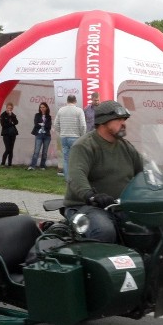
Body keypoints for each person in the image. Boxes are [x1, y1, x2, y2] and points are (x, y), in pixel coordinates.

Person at [63, 100, 143, 242]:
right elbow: (76, 175)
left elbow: (144, 170)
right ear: (103, 121)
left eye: (124, 119)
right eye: (118, 119)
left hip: (119, 206)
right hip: (86, 206)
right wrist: (91, 196)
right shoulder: (84, 146)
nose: (123, 123)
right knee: (104, 231)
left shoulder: (126, 147)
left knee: (152, 227)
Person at [53, 94, 86, 176]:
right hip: (76, 137)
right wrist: (82, 136)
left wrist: (61, 132)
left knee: (66, 159)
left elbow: (55, 124)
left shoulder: (61, 110)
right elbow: (83, 125)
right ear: (75, 101)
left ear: (67, 101)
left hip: (64, 137)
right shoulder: (79, 110)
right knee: (76, 159)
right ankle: (76, 177)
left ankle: (68, 179)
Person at [28, 102, 52, 170]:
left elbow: (49, 126)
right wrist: (43, 124)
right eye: (41, 107)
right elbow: (36, 124)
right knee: (36, 151)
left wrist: (42, 124)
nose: (42, 108)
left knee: (44, 152)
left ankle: (42, 166)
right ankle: (32, 166)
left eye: (43, 107)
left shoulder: (48, 117)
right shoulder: (37, 115)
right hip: (39, 135)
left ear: (46, 108)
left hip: (47, 136)